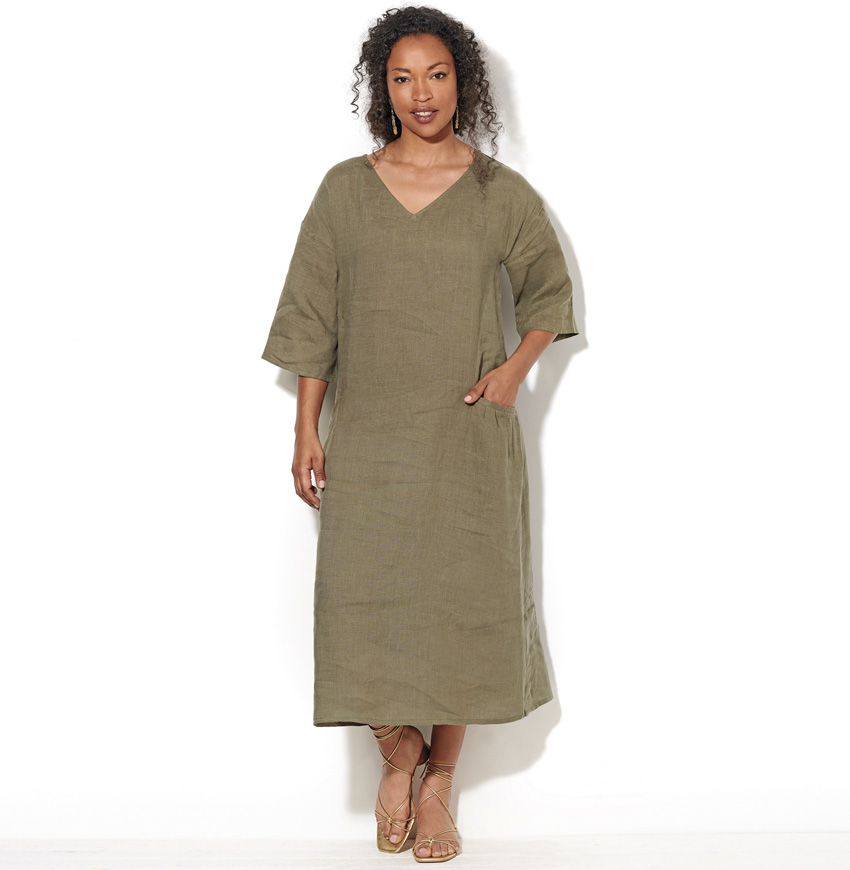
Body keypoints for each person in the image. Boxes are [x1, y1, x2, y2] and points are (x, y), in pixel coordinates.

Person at [261, 5, 578, 862]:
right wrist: (306, 428)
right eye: (402, 78)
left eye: (436, 74)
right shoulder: (344, 190)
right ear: (383, 89)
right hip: (369, 437)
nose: (421, 92)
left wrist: (513, 371)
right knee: (361, 600)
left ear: (462, 82)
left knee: (460, 603)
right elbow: (312, 317)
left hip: (468, 437)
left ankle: (440, 781)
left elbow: (548, 293)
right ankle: (399, 753)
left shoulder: (498, 193)